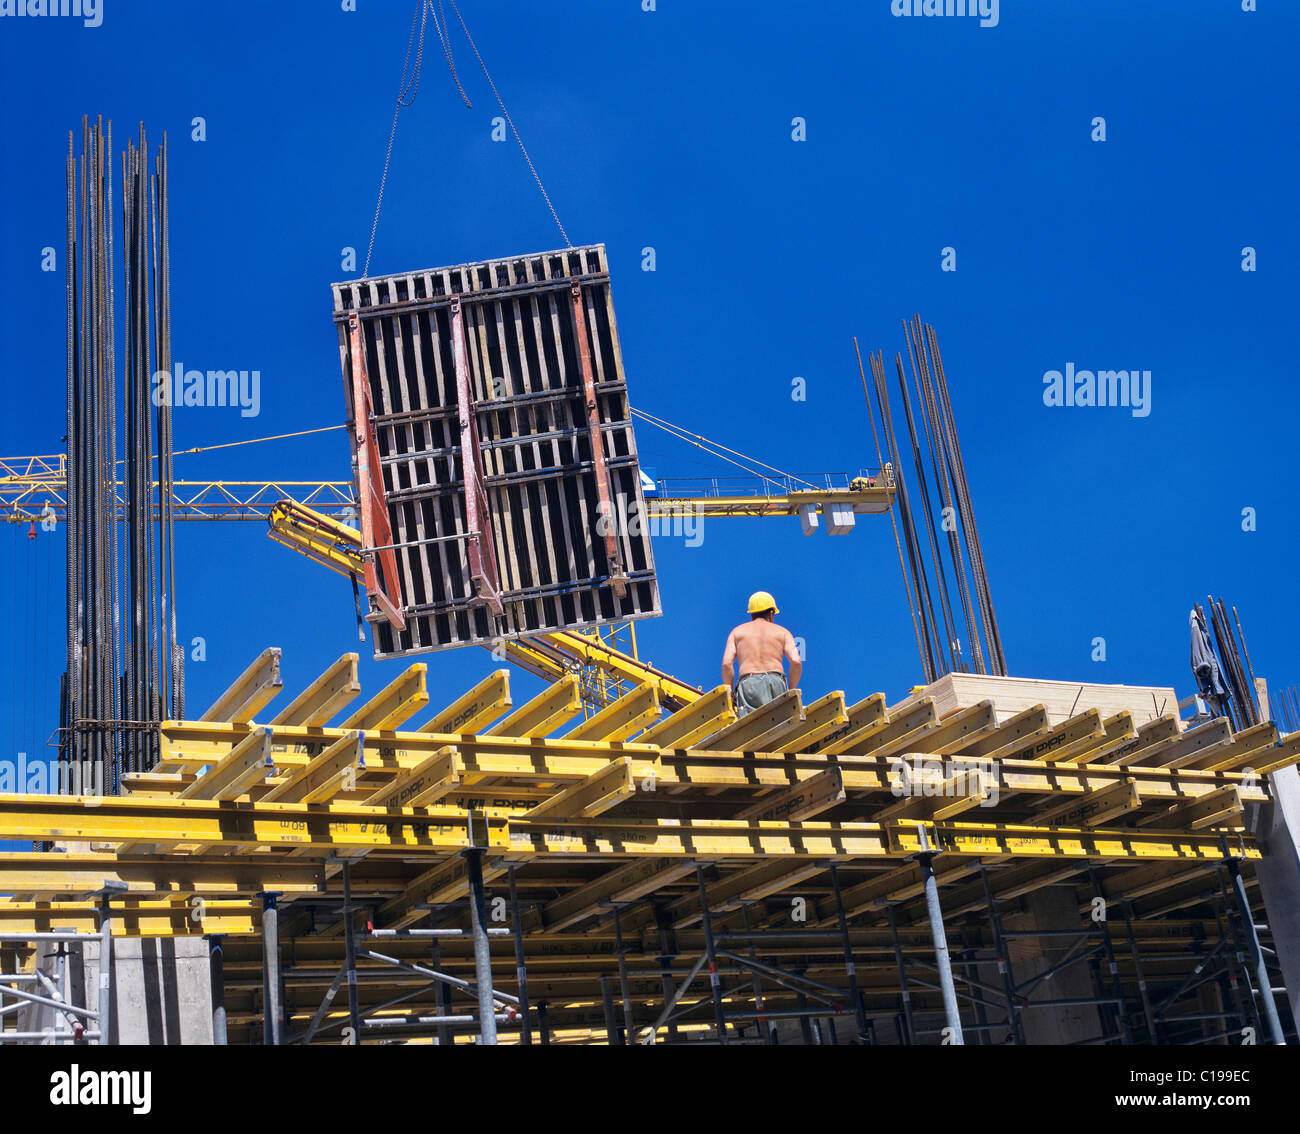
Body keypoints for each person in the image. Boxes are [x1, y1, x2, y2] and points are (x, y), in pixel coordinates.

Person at [722, 591, 801, 717]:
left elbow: (726, 664)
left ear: (751, 614)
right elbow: (796, 661)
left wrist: (730, 694)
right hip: (776, 682)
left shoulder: (737, 632)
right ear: (771, 613)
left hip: (748, 684)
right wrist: (791, 690)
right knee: (780, 726)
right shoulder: (783, 632)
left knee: (750, 729)